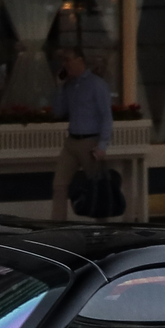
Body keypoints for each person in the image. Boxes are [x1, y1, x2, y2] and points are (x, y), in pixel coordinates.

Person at [51, 46, 113, 220]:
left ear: (79, 61)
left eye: (68, 60)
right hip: (72, 141)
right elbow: (58, 111)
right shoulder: (69, 86)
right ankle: (57, 224)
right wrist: (60, 87)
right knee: (59, 184)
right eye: (63, 62)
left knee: (96, 184)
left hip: (90, 142)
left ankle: (102, 224)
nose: (65, 65)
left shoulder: (96, 85)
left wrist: (102, 145)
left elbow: (106, 116)